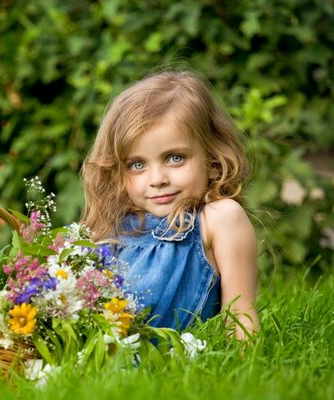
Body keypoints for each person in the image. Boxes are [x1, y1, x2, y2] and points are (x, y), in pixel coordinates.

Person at [81, 70, 259, 340]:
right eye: (137, 165)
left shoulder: (218, 219)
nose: (157, 180)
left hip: (169, 364)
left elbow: (241, 314)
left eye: (175, 158)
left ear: (212, 161)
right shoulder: (116, 228)